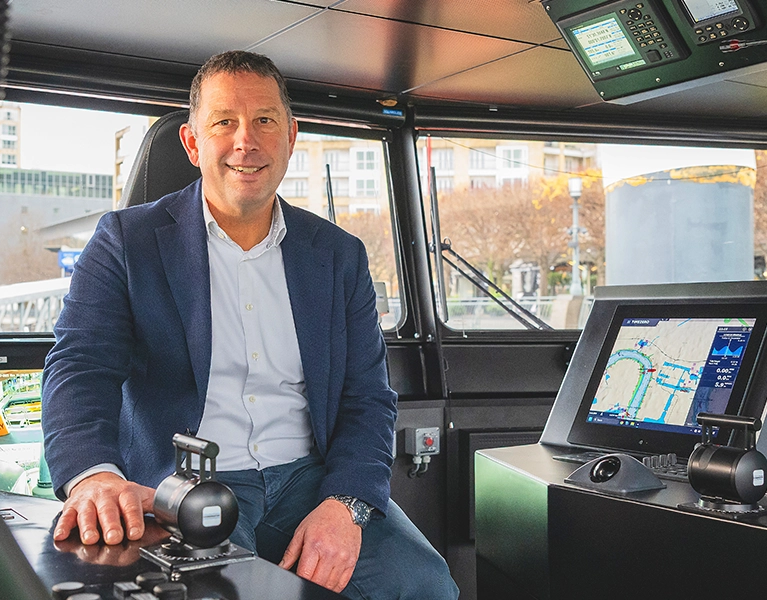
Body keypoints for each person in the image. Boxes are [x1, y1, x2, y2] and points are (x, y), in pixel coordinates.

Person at [41, 50, 458, 599]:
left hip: (310, 479)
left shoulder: (339, 256)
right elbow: (79, 368)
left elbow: (367, 397)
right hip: (180, 484)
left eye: (264, 120)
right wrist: (95, 475)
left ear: (291, 136)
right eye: (224, 123)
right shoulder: (125, 241)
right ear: (193, 143)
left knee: (425, 584)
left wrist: (346, 505)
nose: (246, 141)